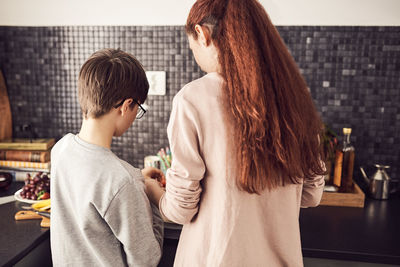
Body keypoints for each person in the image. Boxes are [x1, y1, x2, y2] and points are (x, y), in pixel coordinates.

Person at [144, 0, 326, 266]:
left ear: (202, 33)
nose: (193, 50)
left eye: (191, 44)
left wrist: (151, 191)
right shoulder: (293, 97)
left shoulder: (193, 99)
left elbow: (180, 210)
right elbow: (311, 195)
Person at [50, 48, 163, 267]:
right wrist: (151, 198)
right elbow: (147, 260)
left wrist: (138, 178)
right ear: (126, 106)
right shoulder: (123, 181)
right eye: (137, 108)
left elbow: (91, 184)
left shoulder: (61, 149)